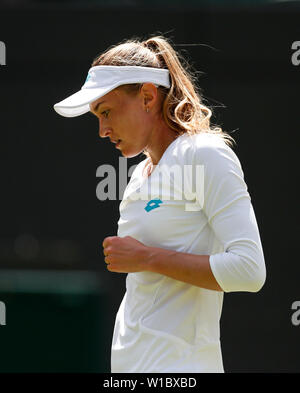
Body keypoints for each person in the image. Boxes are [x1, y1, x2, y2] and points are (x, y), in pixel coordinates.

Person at [53, 36, 266, 373]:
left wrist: (146, 257)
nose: (102, 130)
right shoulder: (137, 175)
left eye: (106, 112)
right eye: (96, 116)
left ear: (148, 97)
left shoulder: (205, 153)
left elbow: (249, 270)